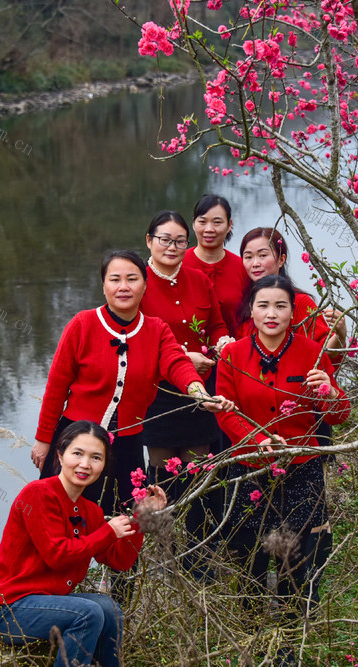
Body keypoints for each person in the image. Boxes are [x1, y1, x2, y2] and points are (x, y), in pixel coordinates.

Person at [31, 250, 234, 515]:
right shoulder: (82, 324)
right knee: (62, 521)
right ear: (104, 286)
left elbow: (177, 364)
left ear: (145, 285)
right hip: (75, 443)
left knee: (123, 527)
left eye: (132, 279)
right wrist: (44, 440)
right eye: (115, 279)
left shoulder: (156, 329)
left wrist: (201, 395)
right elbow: (56, 388)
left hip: (127, 447)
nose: (124, 287)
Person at [215, 275, 350, 618]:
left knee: (300, 553)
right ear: (251, 311)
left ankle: (292, 626)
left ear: (294, 312)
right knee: (250, 552)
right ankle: (252, 625)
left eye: (280, 306)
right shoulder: (231, 354)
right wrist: (259, 441)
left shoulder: (312, 353)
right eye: (263, 305)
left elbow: (338, 416)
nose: (271, 313)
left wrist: (331, 394)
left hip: (301, 467)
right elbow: (226, 415)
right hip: (250, 467)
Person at [0, 420, 167, 667]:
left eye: (96, 458)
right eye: (77, 453)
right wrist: (108, 532)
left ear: (104, 465)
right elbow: (57, 556)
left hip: (47, 602)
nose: (85, 464)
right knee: (87, 614)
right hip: (6, 608)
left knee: (109, 608)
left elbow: (120, 561)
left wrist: (142, 518)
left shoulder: (91, 511)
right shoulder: (38, 494)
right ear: (60, 454)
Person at [139, 210, 235, 574]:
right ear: (150, 240)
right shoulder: (139, 280)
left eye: (180, 241)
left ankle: (199, 559)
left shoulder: (198, 278)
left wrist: (221, 341)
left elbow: (215, 323)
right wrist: (182, 356)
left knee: (198, 471)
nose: (173, 247)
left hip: (199, 391)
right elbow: (138, 339)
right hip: (158, 392)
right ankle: (163, 554)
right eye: (165, 239)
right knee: (163, 474)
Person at [237, 227, 347, 359]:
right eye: (248, 257)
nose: (255, 263)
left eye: (263, 255)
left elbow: (325, 351)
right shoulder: (242, 301)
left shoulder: (300, 301)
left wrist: (340, 334)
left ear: (281, 260)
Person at [182, 194, 251, 336]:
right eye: (202, 222)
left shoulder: (243, 268)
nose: (209, 229)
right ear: (193, 224)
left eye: (217, 222)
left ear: (229, 225)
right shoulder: (179, 263)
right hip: (187, 354)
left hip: (233, 353)